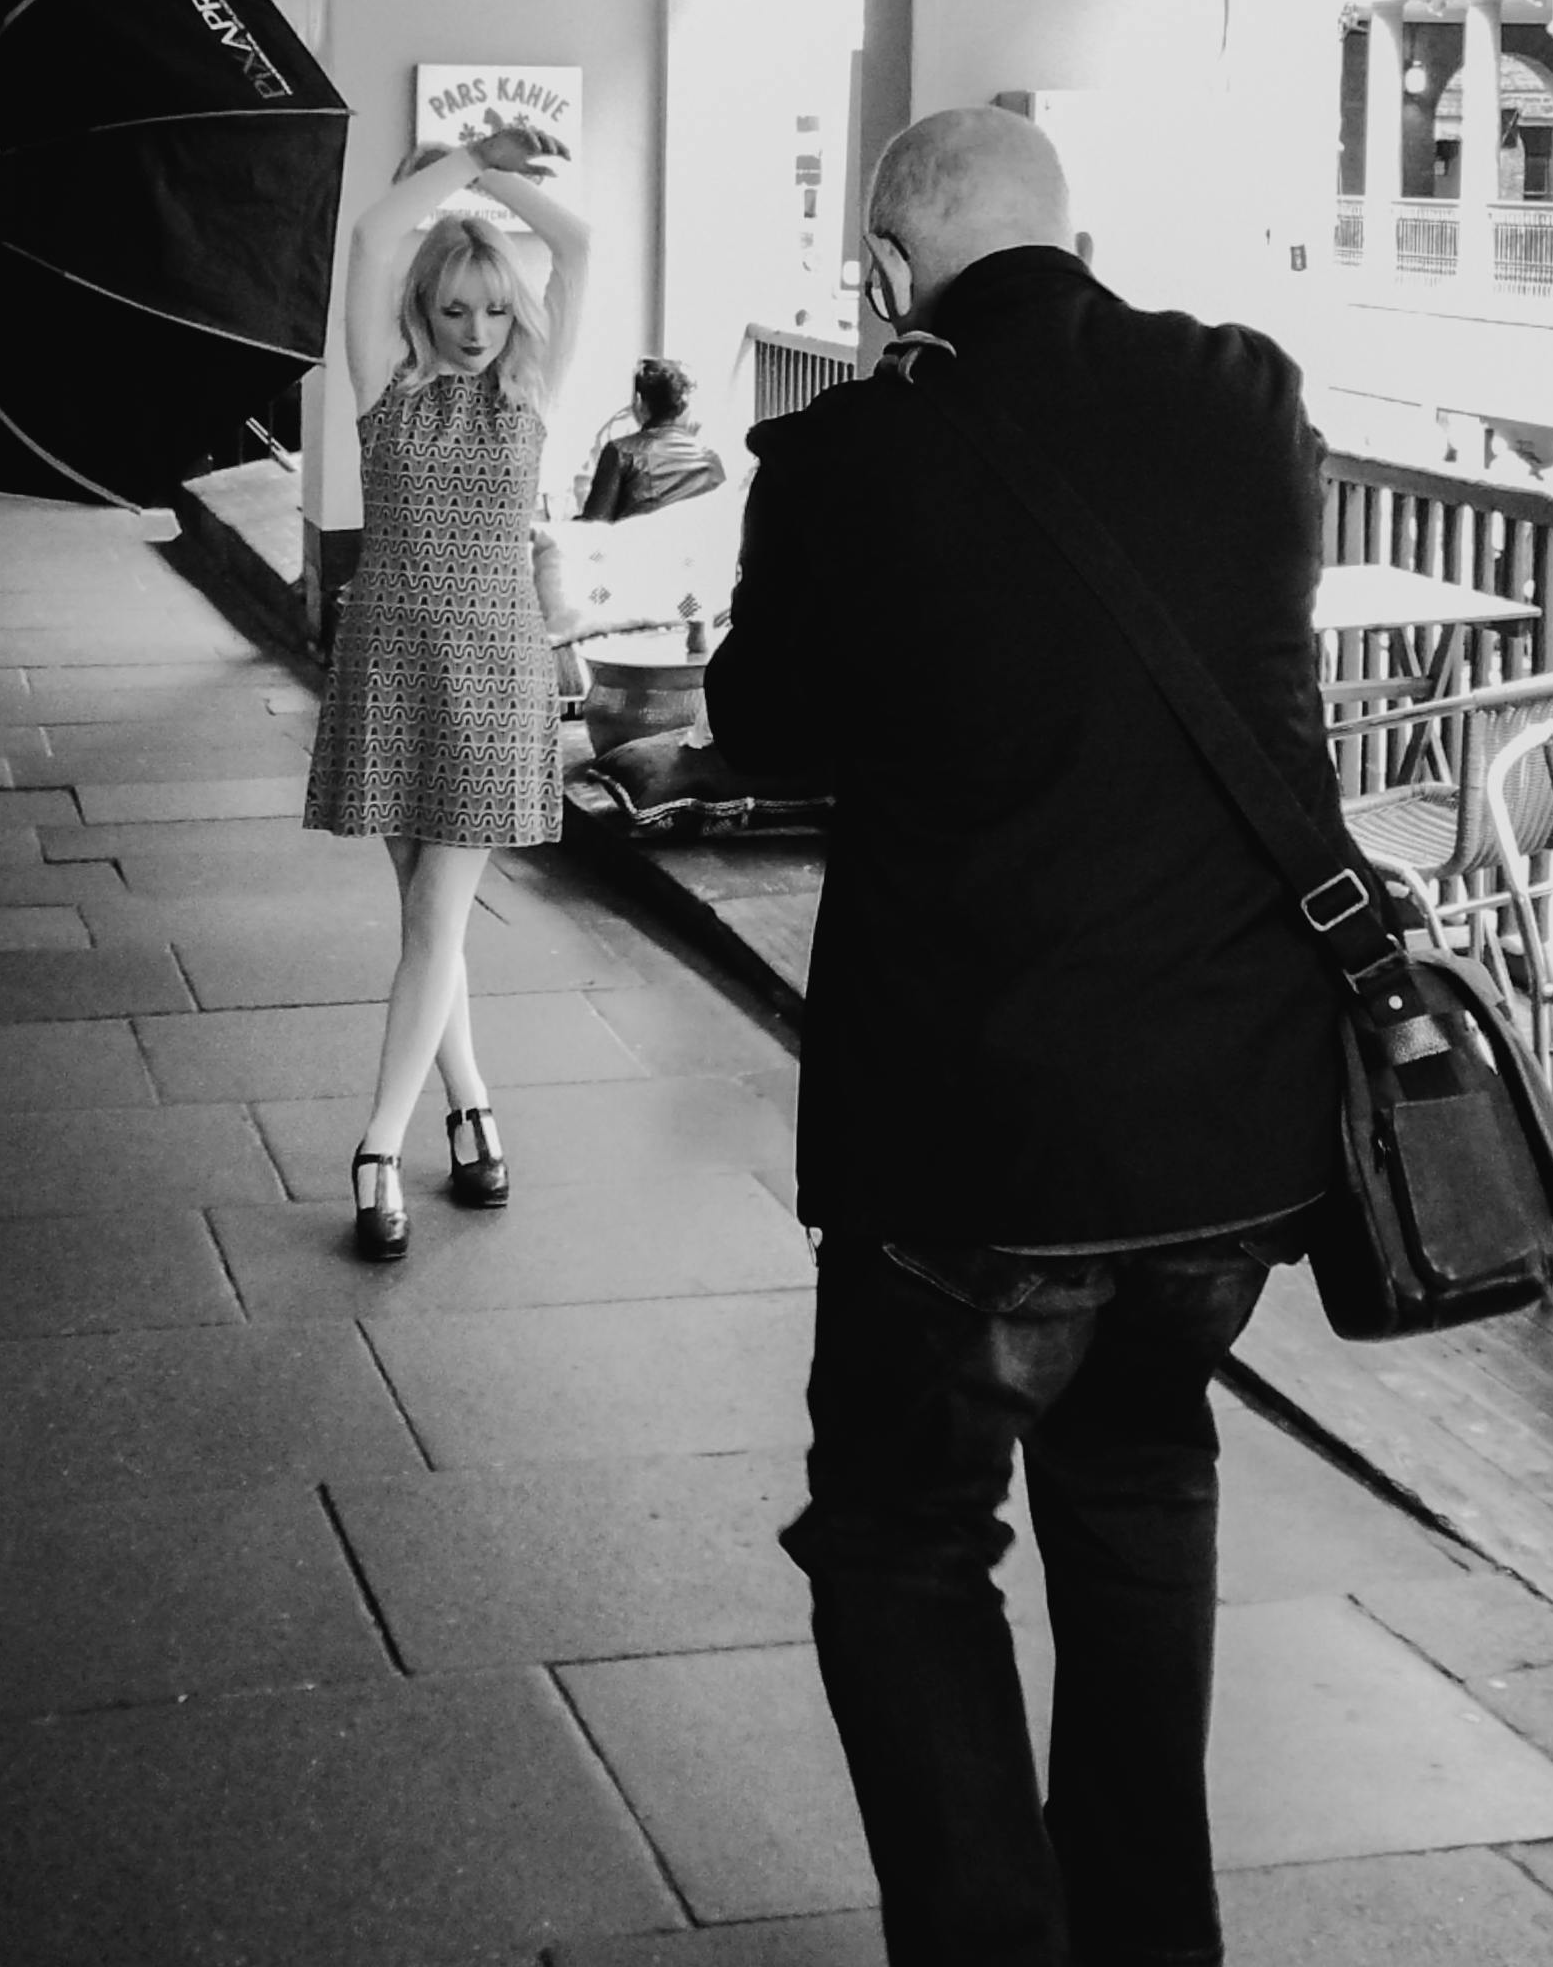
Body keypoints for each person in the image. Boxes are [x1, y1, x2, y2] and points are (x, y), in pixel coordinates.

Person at [706, 107, 1338, 1967]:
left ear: (888, 275)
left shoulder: (846, 456)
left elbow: (763, 722)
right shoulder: (1245, 396)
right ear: (1069, 232)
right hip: (1228, 1119)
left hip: (975, 1136)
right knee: (1141, 1488)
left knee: (902, 1541)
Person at [301, 128, 593, 1259]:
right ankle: (471, 1106)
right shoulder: (385, 384)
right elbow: (376, 233)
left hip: (492, 669)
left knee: (434, 916)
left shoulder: (533, 393)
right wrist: (460, 156)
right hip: (387, 659)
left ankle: (378, 1147)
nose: (477, 332)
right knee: (429, 917)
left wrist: (487, 174)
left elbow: (577, 240)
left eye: (495, 310)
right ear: (423, 309)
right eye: (456, 310)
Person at [576, 354, 727, 521]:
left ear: (639, 400)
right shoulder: (711, 460)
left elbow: (595, 525)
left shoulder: (621, 452)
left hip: (633, 545)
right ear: (683, 405)